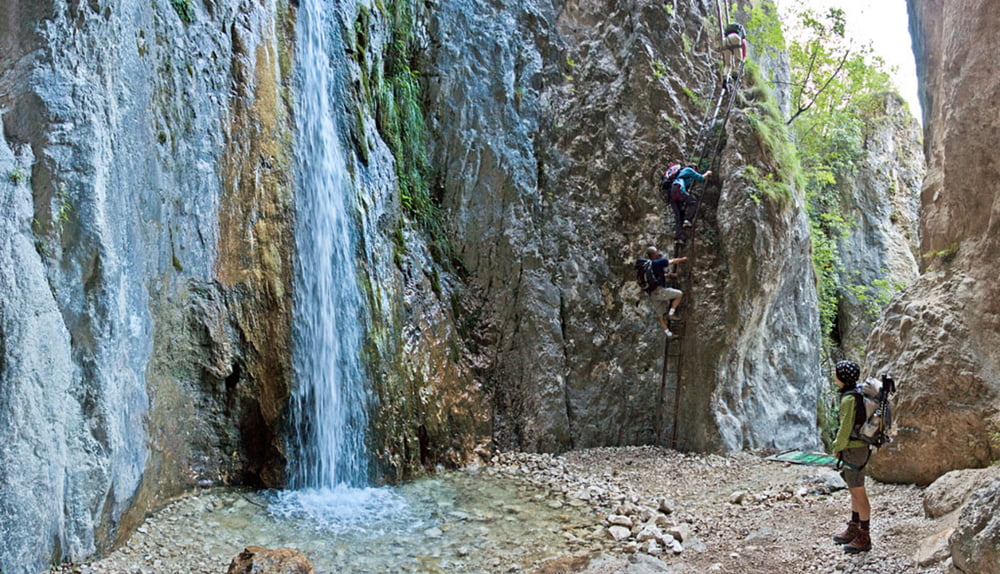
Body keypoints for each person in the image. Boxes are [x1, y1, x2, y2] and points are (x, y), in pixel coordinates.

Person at [831, 360, 874, 554]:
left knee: (858, 491)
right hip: (859, 448)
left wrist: (836, 448)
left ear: (842, 377)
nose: (834, 375)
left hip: (853, 449)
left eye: (836, 372)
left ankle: (864, 536)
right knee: (854, 489)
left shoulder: (849, 399)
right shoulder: (858, 393)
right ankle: (854, 528)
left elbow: (845, 428)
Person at [642, 246, 687, 337]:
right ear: (654, 254)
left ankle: (669, 334)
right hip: (660, 291)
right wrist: (683, 259)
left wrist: (670, 275)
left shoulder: (648, 265)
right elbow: (672, 261)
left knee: (660, 316)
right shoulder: (659, 262)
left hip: (652, 294)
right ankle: (671, 313)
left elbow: (656, 276)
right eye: (656, 252)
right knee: (679, 294)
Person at [667, 165, 711, 242]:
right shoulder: (688, 170)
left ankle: (678, 237)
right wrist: (707, 173)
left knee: (679, 215)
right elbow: (700, 178)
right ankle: (687, 220)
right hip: (678, 189)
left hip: (672, 194)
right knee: (693, 202)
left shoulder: (681, 175)